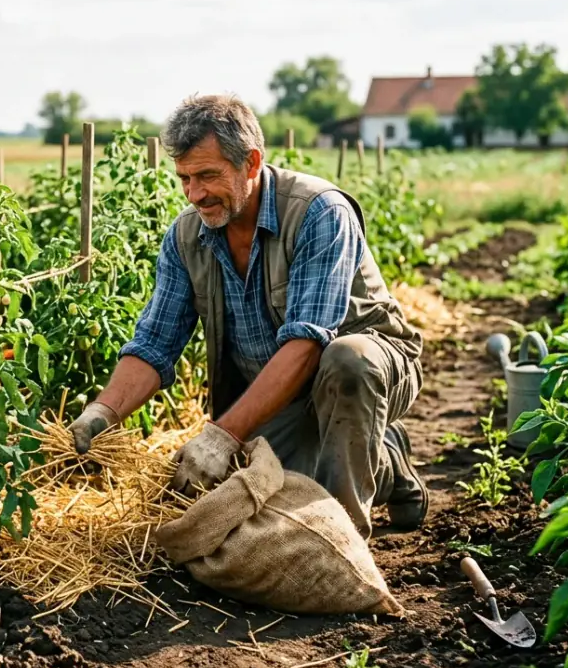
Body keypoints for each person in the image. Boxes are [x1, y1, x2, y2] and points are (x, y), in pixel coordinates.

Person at [68, 94, 427, 538]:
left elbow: (308, 343)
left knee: (347, 361)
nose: (195, 193)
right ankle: (386, 460)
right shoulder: (187, 236)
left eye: (207, 175)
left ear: (251, 162)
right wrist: (101, 413)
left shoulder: (318, 212)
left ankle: (342, 539)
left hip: (360, 373)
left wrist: (224, 435)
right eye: (184, 178)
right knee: (257, 494)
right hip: (277, 390)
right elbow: (154, 343)